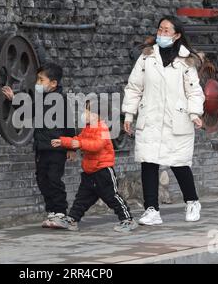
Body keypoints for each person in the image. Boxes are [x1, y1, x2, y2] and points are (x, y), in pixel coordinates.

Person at [122, 15, 205, 225]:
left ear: (177, 35)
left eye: (166, 30)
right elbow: (134, 87)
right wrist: (129, 114)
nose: (161, 33)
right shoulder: (146, 57)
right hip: (150, 118)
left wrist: (195, 113)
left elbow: (194, 91)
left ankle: (192, 201)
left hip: (177, 119)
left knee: (179, 164)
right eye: (160, 29)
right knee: (148, 163)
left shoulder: (186, 61)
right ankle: (152, 210)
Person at [2, 62, 76, 228]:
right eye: (37, 80)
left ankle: (61, 212)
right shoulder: (40, 99)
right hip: (41, 148)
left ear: (53, 83)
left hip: (57, 148)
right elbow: (28, 111)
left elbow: (69, 124)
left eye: (41, 80)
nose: (37, 83)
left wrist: (71, 146)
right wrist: (14, 99)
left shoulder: (60, 100)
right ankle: (52, 211)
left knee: (54, 179)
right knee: (42, 179)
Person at [49, 100, 138, 233]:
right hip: (89, 171)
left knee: (112, 197)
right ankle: (72, 220)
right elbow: (78, 139)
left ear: (98, 115)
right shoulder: (87, 128)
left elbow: (96, 145)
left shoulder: (102, 128)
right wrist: (63, 141)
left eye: (87, 111)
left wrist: (80, 145)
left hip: (103, 171)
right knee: (82, 198)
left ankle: (128, 219)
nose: (84, 114)